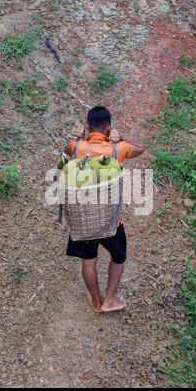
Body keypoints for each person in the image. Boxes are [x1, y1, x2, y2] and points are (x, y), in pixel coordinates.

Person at [64, 106, 145, 313]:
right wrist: (120, 136)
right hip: (110, 222)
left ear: (88, 126)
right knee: (119, 257)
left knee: (88, 262)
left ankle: (97, 302)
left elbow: (67, 149)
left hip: (84, 221)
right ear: (109, 128)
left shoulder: (75, 147)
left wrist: (79, 136)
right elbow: (141, 147)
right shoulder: (118, 150)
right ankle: (109, 300)